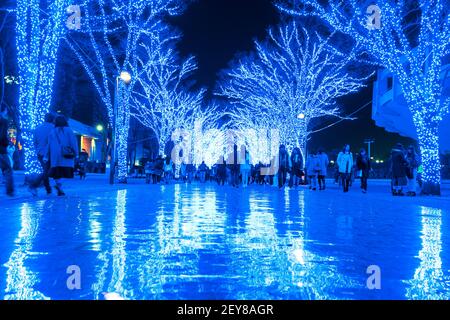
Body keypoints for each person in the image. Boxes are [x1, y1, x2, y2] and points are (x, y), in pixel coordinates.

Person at [44, 115, 78, 196]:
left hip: (54, 154)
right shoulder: (69, 130)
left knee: (57, 171)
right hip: (66, 153)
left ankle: (59, 186)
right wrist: (76, 153)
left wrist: (46, 155)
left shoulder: (52, 131)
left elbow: (48, 144)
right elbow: (73, 142)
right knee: (66, 171)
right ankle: (59, 186)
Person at [30, 113, 55, 195]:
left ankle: (48, 189)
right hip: (50, 153)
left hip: (40, 153)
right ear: (52, 119)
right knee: (47, 171)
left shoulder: (37, 129)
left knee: (46, 170)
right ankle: (33, 185)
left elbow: (34, 142)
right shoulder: (54, 128)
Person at [0, 108, 14, 196]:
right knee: (8, 169)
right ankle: (10, 191)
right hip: (1, 148)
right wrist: (7, 142)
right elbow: (2, 136)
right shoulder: (3, 121)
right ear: (4, 110)